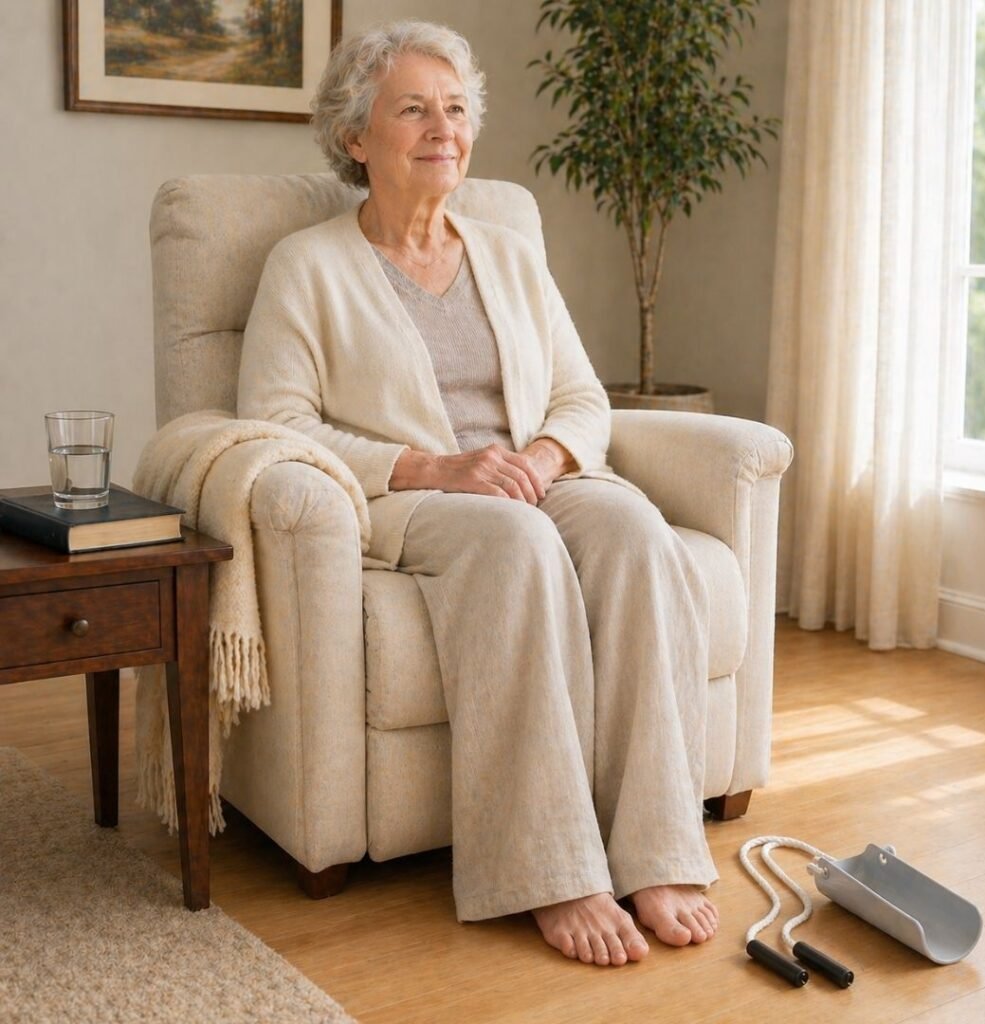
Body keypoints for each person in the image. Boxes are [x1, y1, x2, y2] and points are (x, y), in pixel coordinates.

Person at [237, 20, 718, 967]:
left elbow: (581, 397)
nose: (442, 128)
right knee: (517, 544)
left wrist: (540, 461)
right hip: (412, 498)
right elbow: (276, 424)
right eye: (412, 109)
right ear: (355, 135)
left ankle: (655, 849)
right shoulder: (307, 265)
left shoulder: (508, 253)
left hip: (525, 476)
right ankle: (549, 869)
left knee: (633, 527)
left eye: (454, 109)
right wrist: (437, 466)